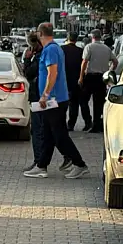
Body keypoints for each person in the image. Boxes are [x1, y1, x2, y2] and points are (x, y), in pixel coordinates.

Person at [23, 22, 89, 179]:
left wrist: (45, 94)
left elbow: (52, 73)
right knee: (47, 133)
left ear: (40, 34)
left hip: (54, 100)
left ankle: (79, 164)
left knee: (59, 135)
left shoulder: (51, 50)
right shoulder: (53, 48)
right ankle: (41, 166)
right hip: (54, 99)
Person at [78, 29, 118, 134]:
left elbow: (84, 62)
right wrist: (110, 70)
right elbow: (115, 61)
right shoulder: (106, 48)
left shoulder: (89, 47)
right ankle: (97, 124)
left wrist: (81, 77)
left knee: (83, 100)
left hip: (90, 77)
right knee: (98, 102)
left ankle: (88, 121)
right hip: (102, 78)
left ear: (92, 37)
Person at [22, 33, 45, 172]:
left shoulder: (37, 56)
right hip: (40, 97)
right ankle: (39, 161)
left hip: (38, 97)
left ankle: (39, 162)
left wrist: (26, 59)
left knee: (37, 130)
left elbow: (28, 73)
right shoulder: (43, 54)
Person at [61, 32, 92, 132]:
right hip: (79, 80)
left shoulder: (62, 49)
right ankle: (88, 122)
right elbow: (84, 65)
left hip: (65, 80)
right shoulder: (80, 51)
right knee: (81, 103)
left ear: (67, 38)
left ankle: (70, 124)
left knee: (69, 103)